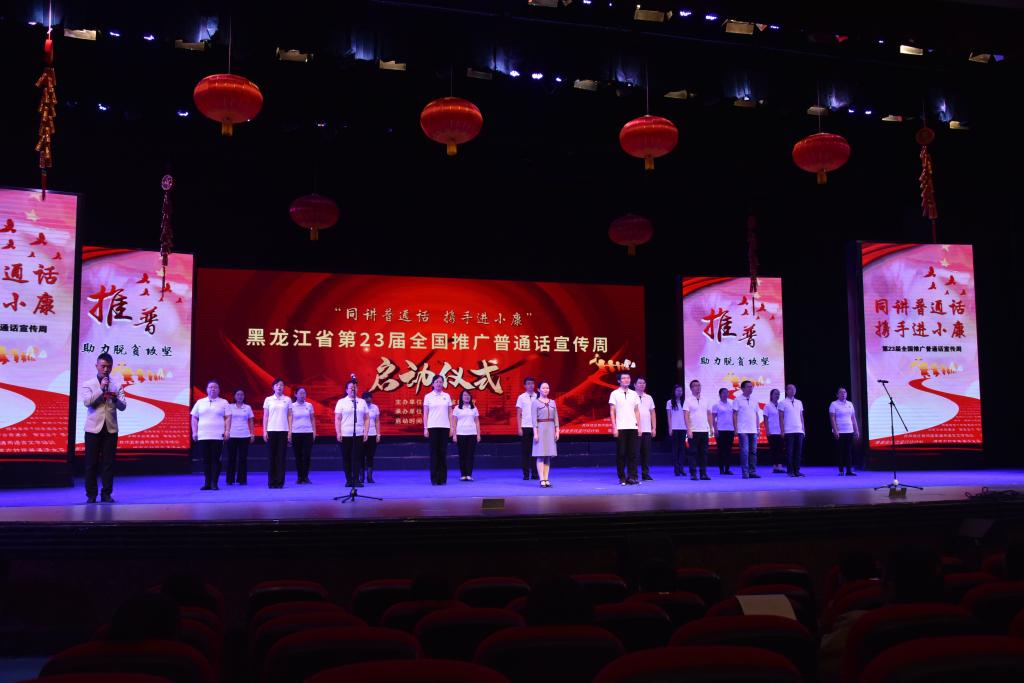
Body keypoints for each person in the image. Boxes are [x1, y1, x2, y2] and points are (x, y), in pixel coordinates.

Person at [81, 352, 126, 503]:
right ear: (97, 366)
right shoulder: (88, 384)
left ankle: (106, 494)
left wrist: (115, 399)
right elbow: (87, 402)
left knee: (108, 464)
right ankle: (91, 495)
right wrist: (100, 389)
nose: (106, 369)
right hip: (93, 429)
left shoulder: (116, 385)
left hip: (110, 429)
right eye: (103, 366)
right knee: (91, 464)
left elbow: (123, 406)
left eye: (109, 366)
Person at [190, 380, 229, 490]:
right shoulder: (200, 402)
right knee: (206, 460)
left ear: (219, 390)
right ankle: (207, 483)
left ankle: (214, 483)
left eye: (215, 387)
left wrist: (227, 431)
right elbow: (194, 417)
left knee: (216, 460)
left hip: (218, 436)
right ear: (207, 389)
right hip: (203, 436)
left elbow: (228, 418)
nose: (213, 389)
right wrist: (194, 432)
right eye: (210, 387)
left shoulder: (224, 402)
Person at [609, 372, 641, 486]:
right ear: (619, 381)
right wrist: (614, 427)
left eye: (628, 378)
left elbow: (637, 411)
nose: (626, 380)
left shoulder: (634, 394)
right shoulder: (614, 393)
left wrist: (639, 426)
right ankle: (622, 477)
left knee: (633, 453)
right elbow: (612, 411)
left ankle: (632, 477)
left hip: (632, 427)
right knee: (621, 453)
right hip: (621, 427)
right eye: (623, 378)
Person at [335, 379, 368, 488]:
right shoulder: (341, 402)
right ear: (346, 390)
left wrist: (366, 432)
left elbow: (366, 418)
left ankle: (356, 479)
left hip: (358, 434)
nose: (353, 389)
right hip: (345, 434)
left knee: (357, 457)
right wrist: (338, 432)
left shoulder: (362, 402)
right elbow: (338, 418)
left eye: (355, 388)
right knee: (347, 457)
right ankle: (349, 480)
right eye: (351, 388)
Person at [262, 378, 292, 489]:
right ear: (273, 387)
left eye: (281, 385)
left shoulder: (287, 399)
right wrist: (264, 431)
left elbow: (290, 416)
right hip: (271, 431)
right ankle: (271, 482)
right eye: (277, 385)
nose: (279, 387)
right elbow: (265, 416)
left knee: (281, 457)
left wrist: (290, 431)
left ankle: (280, 482)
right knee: (271, 457)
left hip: (283, 431)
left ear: (284, 387)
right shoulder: (268, 399)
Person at [422, 376, 452, 485]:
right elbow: (425, 413)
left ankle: (442, 478)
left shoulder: (447, 396)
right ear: (433, 384)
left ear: (443, 384)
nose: (439, 384)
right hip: (432, 427)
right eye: (436, 382)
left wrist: (451, 428)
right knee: (434, 453)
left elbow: (450, 413)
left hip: (445, 427)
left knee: (443, 453)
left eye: (440, 382)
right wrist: (425, 428)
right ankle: (434, 478)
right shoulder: (428, 396)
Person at [683, 379, 713, 481]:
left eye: (699, 385)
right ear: (691, 388)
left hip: (704, 430)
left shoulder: (706, 399)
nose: (698, 387)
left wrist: (711, 427)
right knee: (693, 452)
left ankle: (703, 473)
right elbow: (686, 415)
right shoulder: (688, 400)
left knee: (704, 453)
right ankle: (693, 473)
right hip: (693, 430)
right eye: (695, 386)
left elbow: (709, 414)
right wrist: (688, 429)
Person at [532, 381, 559, 488]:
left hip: (550, 429)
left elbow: (556, 418)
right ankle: (541, 479)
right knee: (540, 455)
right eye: (543, 388)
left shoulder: (552, 402)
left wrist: (557, 431)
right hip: (541, 429)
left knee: (548, 455)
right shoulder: (535, 402)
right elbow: (534, 419)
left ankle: (546, 478)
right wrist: (535, 433)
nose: (545, 389)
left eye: (547, 388)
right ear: (538, 390)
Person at [225, 389, 254, 485]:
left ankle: (242, 479)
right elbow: (226, 420)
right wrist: (226, 432)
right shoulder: (229, 406)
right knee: (231, 458)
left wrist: (252, 434)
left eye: (242, 394)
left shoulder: (248, 407)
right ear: (234, 396)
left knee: (243, 458)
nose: (240, 396)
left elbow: (251, 421)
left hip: (244, 435)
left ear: (244, 396)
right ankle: (230, 479)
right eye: (237, 394)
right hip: (232, 435)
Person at [733, 380, 762, 479]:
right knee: (745, 452)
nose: (751, 388)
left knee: (753, 452)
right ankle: (745, 473)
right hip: (743, 430)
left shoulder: (754, 400)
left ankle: (752, 472)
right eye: (748, 387)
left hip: (753, 429)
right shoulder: (737, 400)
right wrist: (736, 428)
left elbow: (757, 414)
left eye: (751, 387)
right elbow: (735, 415)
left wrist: (758, 428)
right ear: (742, 388)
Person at [451, 389, 481, 481]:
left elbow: (477, 422)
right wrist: (454, 435)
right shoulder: (457, 408)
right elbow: (454, 422)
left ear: (470, 397)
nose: (466, 397)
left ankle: (469, 474)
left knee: (470, 455)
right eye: (464, 395)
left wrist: (478, 435)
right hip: (461, 434)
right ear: (461, 397)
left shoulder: (474, 408)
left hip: (472, 434)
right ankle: (463, 474)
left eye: (468, 395)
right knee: (462, 454)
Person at [829, 387, 860, 476]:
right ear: (837, 394)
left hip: (849, 431)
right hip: (840, 432)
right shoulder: (834, 404)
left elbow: (853, 418)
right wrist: (835, 430)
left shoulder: (850, 404)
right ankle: (841, 470)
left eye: (845, 392)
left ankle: (849, 470)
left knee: (849, 451)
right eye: (841, 392)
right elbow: (832, 418)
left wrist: (856, 430)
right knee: (840, 452)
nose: (843, 394)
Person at [289, 387, 316, 485]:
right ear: (295, 394)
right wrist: (289, 433)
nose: (302, 395)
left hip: (308, 433)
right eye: (300, 393)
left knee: (307, 456)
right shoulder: (291, 406)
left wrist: (314, 432)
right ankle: (300, 477)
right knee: (298, 456)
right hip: (296, 433)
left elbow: (312, 419)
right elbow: (289, 420)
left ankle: (306, 476)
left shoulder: (309, 405)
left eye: (304, 393)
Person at [778, 384, 806, 477]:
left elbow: (801, 416)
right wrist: (782, 430)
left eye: (794, 389)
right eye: (790, 389)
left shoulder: (799, 402)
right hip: (788, 431)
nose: (793, 390)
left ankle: (797, 470)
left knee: (798, 452)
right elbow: (781, 418)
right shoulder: (782, 403)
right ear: (786, 391)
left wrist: (803, 429)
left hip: (799, 430)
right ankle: (790, 471)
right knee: (789, 452)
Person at [516, 377, 539, 480]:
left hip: (536, 428)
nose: (530, 385)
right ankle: (526, 474)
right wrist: (519, 428)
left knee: (536, 451)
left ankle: (535, 473)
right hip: (525, 427)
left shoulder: (538, 396)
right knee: (525, 452)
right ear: (524, 385)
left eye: (532, 383)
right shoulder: (521, 397)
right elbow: (518, 414)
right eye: (528, 383)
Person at [635, 377, 656, 481]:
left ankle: (645, 474)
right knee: (635, 453)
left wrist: (654, 428)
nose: (642, 385)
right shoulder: (631, 396)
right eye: (639, 383)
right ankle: (633, 474)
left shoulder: (649, 397)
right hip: (635, 429)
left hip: (647, 429)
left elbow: (653, 413)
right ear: (635, 385)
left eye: (643, 383)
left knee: (646, 453)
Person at [711, 387, 735, 475]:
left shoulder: (731, 404)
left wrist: (735, 428)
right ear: (720, 394)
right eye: (724, 393)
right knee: (721, 450)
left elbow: (734, 417)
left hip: (730, 429)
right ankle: (721, 469)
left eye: (727, 393)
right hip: (720, 430)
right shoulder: (716, 405)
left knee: (729, 450)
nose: (725, 394)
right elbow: (713, 418)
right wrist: (715, 429)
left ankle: (727, 469)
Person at [666, 385, 687, 476]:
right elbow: (669, 416)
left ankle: (681, 468)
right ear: (674, 391)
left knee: (682, 449)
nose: (679, 392)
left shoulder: (684, 402)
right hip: (674, 428)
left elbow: (687, 416)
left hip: (683, 428)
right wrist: (670, 428)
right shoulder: (669, 402)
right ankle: (676, 468)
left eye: (681, 391)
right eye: (677, 390)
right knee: (675, 449)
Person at [763, 388, 785, 474]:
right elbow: (765, 419)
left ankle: (779, 466)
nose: (777, 395)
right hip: (772, 431)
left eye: (778, 394)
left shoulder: (781, 405)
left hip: (780, 431)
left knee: (780, 449)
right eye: (775, 394)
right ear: (771, 395)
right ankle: (775, 466)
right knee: (774, 449)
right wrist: (767, 430)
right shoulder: (767, 406)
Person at [363, 392, 381, 484]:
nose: (368, 399)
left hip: (372, 434)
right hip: (361, 435)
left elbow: (377, 421)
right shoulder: (360, 407)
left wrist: (378, 434)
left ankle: (369, 477)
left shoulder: (375, 407)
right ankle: (361, 476)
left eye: (370, 397)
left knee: (370, 456)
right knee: (361, 456)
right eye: (366, 398)